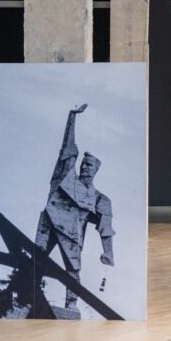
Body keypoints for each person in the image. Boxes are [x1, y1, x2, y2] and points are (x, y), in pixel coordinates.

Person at [35, 103, 115, 313]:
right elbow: (68, 148)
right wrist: (72, 117)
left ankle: (71, 306)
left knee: (73, 272)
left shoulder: (100, 199)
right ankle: (26, 294)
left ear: (95, 170)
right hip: (49, 224)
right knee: (36, 261)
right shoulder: (66, 177)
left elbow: (105, 227)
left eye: (89, 165)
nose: (84, 166)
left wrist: (108, 252)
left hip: (72, 235)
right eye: (83, 163)